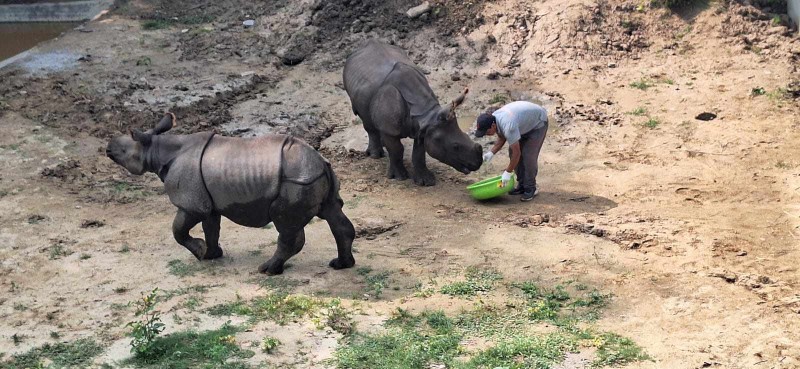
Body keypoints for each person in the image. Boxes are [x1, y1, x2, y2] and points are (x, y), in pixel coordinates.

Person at [474, 101, 548, 202]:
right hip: (523, 123)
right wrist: (491, 152)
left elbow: (517, 153)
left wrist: (507, 172)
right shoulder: (495, 118)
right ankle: (522, 185)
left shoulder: (508, 126)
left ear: (493, 126)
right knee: (512, 152)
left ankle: (531, 187)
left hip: (538, 124)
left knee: (528, 155)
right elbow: (502, 136)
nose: (486, 135)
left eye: (486, 132)